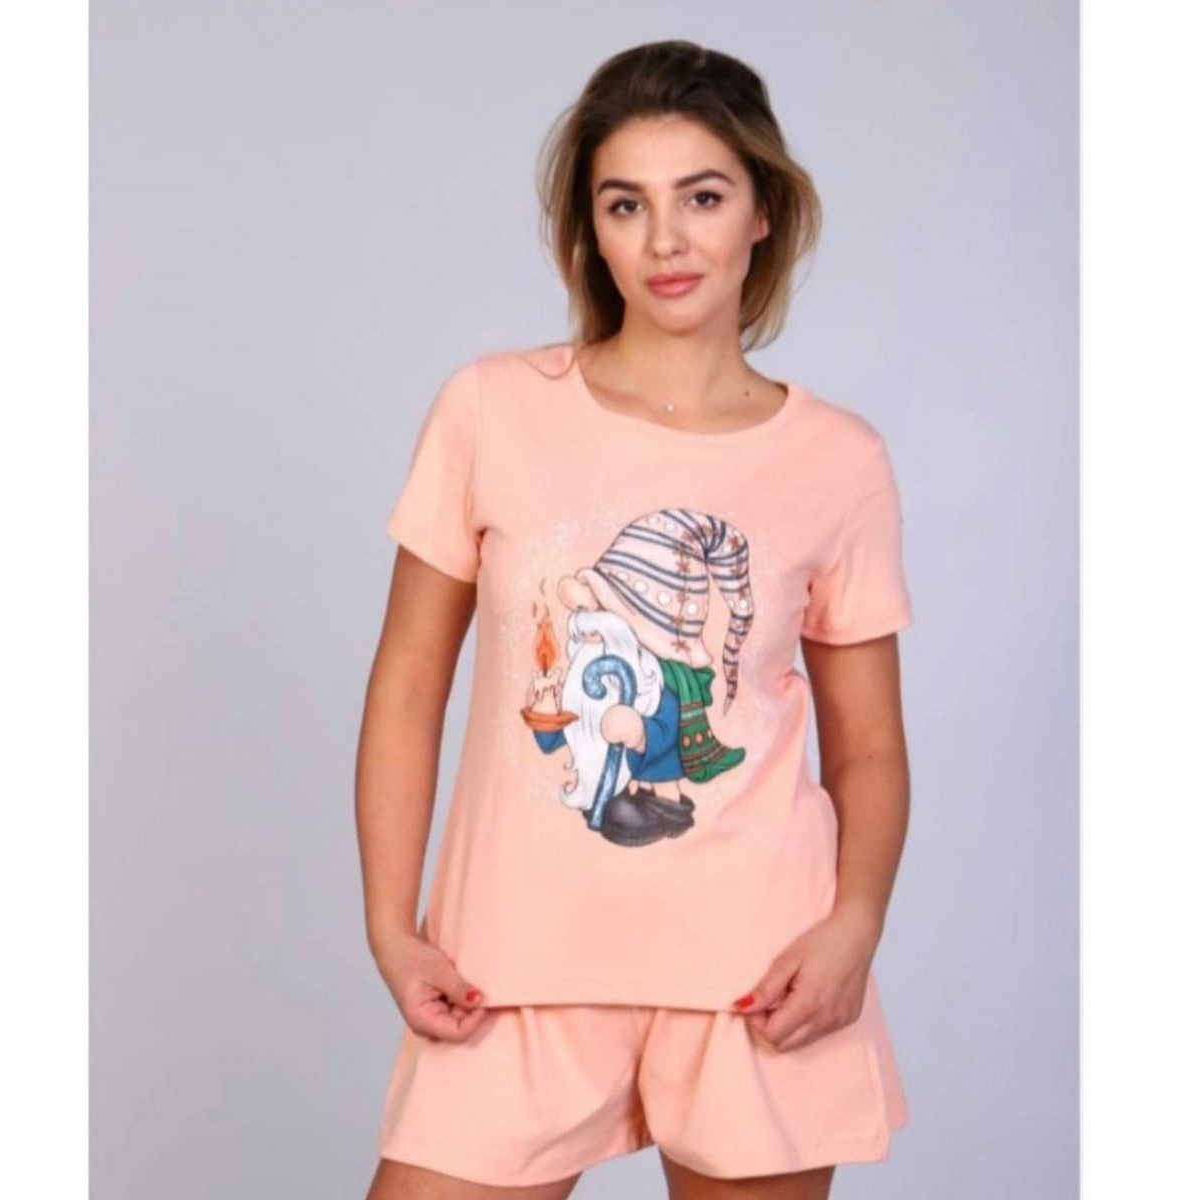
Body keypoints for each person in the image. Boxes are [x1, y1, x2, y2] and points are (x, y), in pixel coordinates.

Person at [357, 39, 915, 1200]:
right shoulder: (491, 411)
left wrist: (854, 923)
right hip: (507, 971)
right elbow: (408, 685)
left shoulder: (838, 459)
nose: (666, 241)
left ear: (762, 212)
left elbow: (867, 745)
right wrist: (391, 925)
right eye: (626, 204)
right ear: (593, 231)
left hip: (757, 975)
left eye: (701, 197)